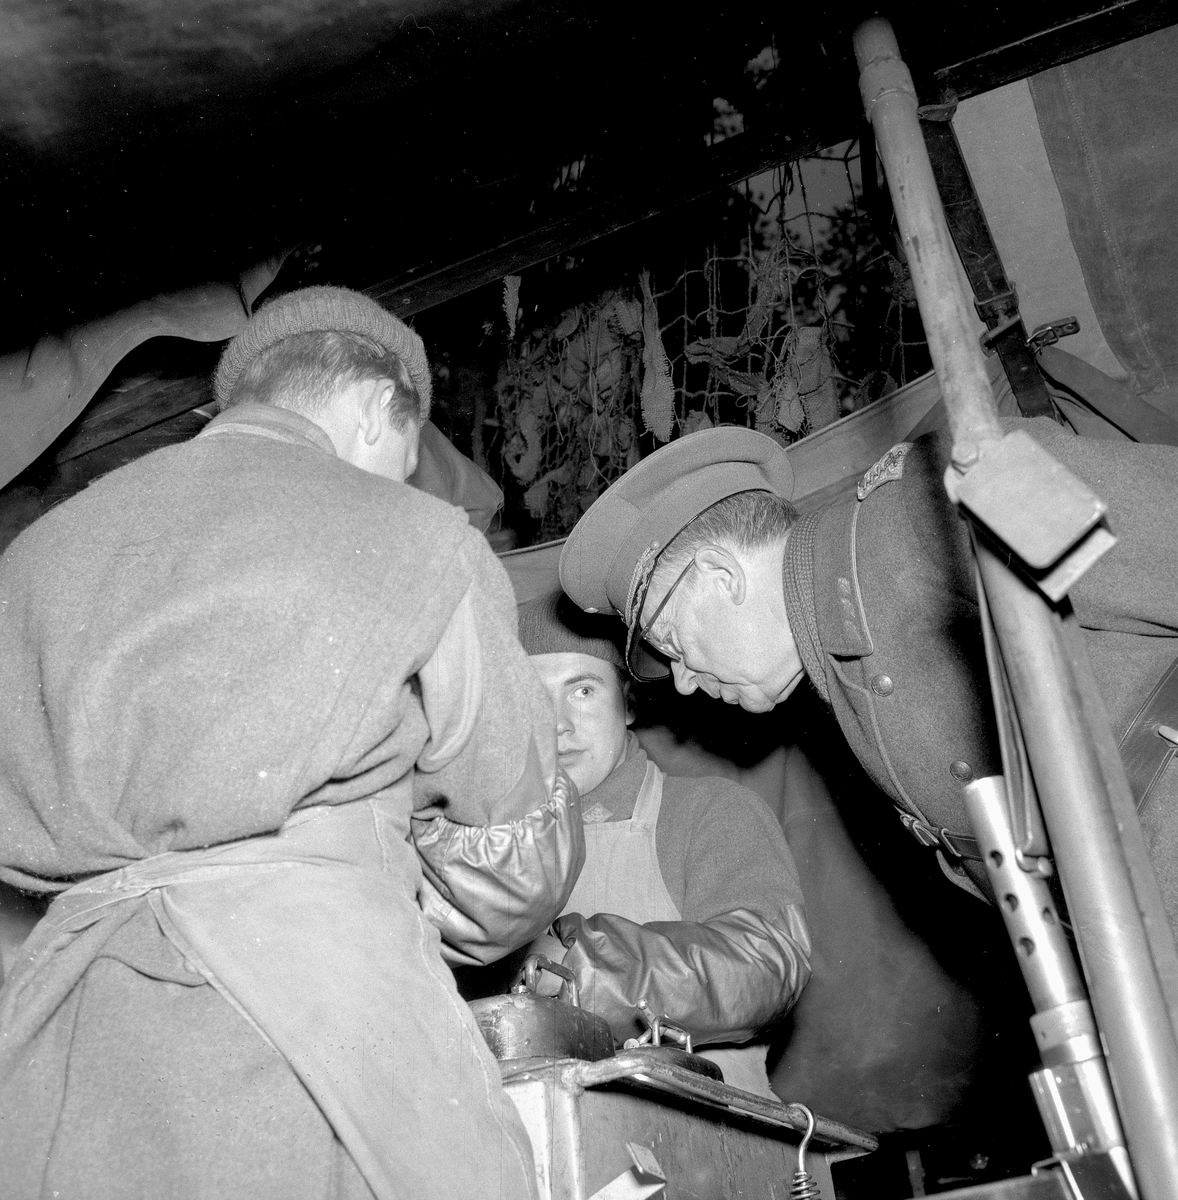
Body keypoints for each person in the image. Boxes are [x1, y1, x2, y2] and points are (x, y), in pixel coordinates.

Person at [0, 285, 583, 1200]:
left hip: (68, 1038)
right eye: (402, 460)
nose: (396, 484)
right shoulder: (419, 536)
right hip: (322, 1032)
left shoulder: (35, 555)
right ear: (375, 409)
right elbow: (514, 861)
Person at [558, 420, 1178, 930]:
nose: (684, 682)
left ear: (722, 576)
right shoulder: (838, 673)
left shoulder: (929, 504)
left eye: (671, 643)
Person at [513, 589, 811, 1096]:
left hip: (703, 1127)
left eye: (582, 690)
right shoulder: (491, 849)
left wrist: (595, 969)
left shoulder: (710, 812)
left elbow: (768, 964)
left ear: (628, 702)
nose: (558, 725)